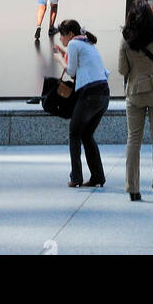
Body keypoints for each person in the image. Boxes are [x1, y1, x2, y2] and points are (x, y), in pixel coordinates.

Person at [119, 0, 153, 203]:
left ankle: (133, 188)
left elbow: (122, 70)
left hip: (135, 93)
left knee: (133, 140)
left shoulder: (125, 40)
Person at [58, 20, 110, 189]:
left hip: (90, 94)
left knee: (74, 133)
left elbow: (71, 71)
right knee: (86, 135)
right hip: (103, 94)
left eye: (62, 35)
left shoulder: (74, 44)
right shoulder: (87, 43)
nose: (60, 39)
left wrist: (60, 60)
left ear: (70, 34)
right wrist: (64, 55)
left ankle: (76, 177)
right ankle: (97, 176)